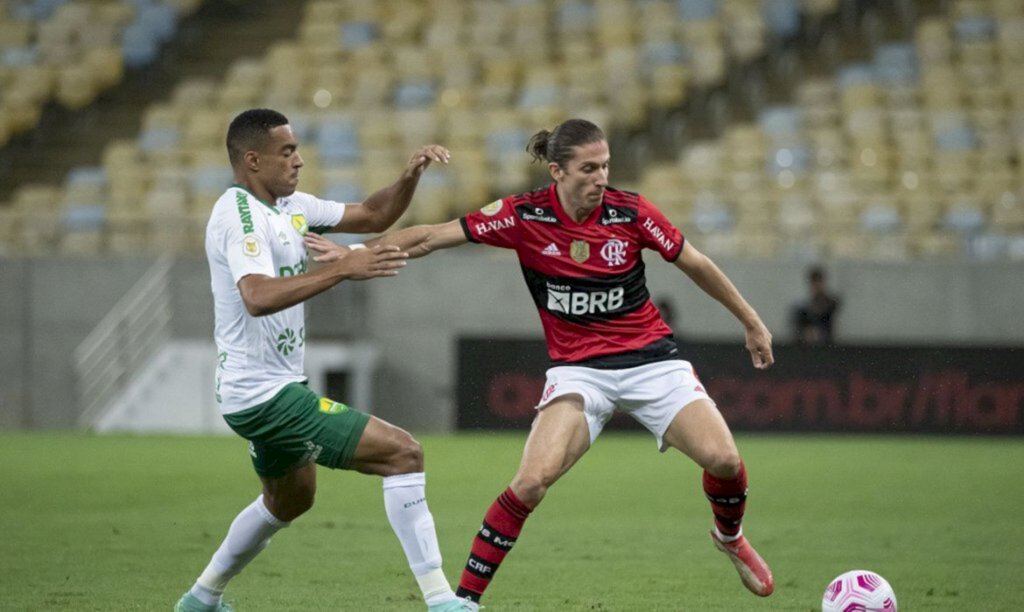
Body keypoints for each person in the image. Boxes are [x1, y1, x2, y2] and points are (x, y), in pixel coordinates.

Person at [305, 118, 777, 608]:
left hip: (651, 362)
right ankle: (464, 602)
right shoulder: (523, 215)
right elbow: (429, 237)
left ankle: (729, 536)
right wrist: (355, 254)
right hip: (579, 372)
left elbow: (694, 261)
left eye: (606, 166)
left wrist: (751, 322)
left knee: (724, 460)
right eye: (589, 169)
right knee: (530, 482)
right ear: (557, 171)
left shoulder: (630, 212)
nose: (601, 178)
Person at [175, 108, 473, 612]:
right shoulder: (239, 215)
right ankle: (442, 600)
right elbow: (258, 296)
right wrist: (345, 268)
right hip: (264, 394)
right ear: (252, 159)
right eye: (287, 151)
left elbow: (373, 215)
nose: (300, 160)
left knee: (290, 499)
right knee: (404, 453)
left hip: (266, 389)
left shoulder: (290, 205)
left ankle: (201, 598)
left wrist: (408, 177)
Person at [791, 264, 840, 346]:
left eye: (819, 282)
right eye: (814, 282)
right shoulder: (802, 308)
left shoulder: (831, 303)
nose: (817, 286)